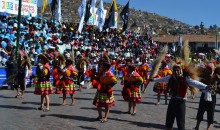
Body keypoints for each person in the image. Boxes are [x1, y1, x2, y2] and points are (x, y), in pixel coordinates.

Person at [151, 64, 210, 130]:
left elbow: (195, 83)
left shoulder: (185, 78)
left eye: (177, 70)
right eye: (175, 70)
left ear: (180, 70)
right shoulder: (171, 77)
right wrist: (154, 80)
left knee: (180, 122)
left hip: (181, 102)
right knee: (169, 121)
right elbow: (163, 79)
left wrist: (205, 86)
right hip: (172, 101)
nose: (176, 72)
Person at [194, 64, 220, 130]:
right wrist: (203, 88)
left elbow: (219, 89)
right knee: (200, 111)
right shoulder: (204, 75)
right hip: (204, 95)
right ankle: (197, 126)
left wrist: (215, 89)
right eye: (208, 69)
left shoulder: (217, 77)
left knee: (210, 113)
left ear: (213, 69)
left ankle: (208, 128)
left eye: (210, 69)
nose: (209, 70)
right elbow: (199, 86)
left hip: (212, 97)